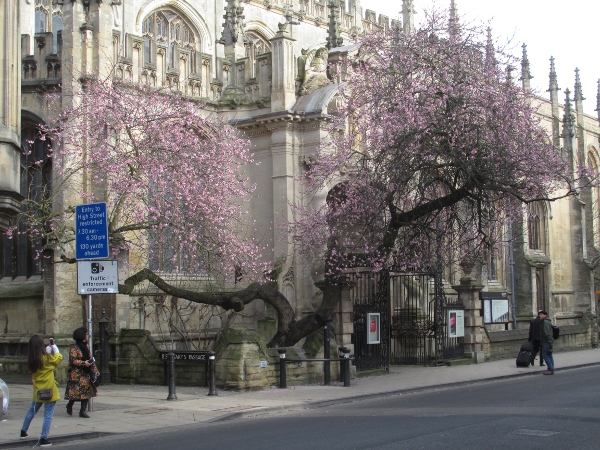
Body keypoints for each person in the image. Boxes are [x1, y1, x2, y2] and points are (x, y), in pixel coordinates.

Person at [20, 335, 63, 447]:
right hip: (49, 390)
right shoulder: (46, 358)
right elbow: (57, 360)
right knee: (48, 415)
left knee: (31, 411)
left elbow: (41, 359)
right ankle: (44, 438)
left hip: (38, 390)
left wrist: (47, 351)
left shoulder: (32, 360)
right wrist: (55, 349)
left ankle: (23, 431)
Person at [64, 327, 99, 418]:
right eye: (87, 334)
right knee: (75, 393)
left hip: (85, 373)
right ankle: (70, 405)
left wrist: (95, 370)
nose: (88, 336)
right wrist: (83, 363)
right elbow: (73, 360)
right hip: (76, 374)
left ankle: (82, 410)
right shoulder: (74, 348)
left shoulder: (87, 347)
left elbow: (91, 359)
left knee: (86, 391)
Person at [540, 310, 555, 375]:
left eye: (541, 314)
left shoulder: (545, 322)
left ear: (545, 315)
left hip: (546, 341)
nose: (540, 315)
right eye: (539, 314)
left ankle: (550, 369)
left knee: (545, 355)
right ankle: (551, 368)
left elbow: (546, 333)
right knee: (549, 355)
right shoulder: (548, 321)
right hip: (549, 341)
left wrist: (547, 340)